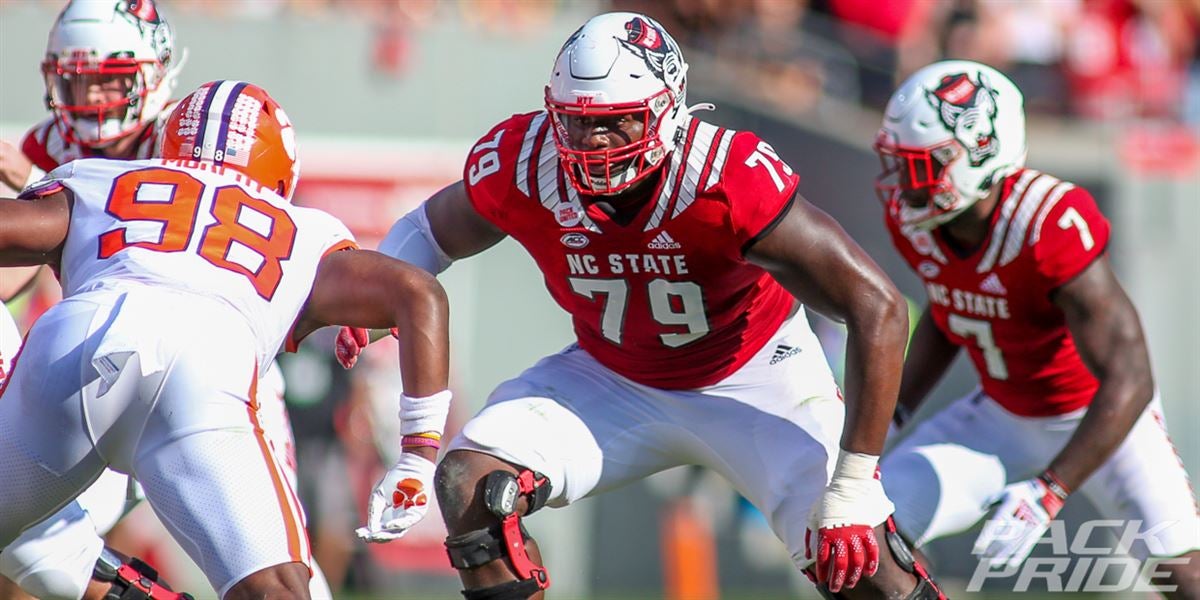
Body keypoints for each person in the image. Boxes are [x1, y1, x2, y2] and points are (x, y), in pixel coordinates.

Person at [342, 12, 944, 600]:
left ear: (667, 108)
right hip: (613, 374)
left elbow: (879, 307)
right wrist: (381, 295)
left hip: (754, 376)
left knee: (861, 561)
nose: (592, 140)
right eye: (575, 122)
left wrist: (854, 483)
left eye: (617, 121)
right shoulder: (526, 160)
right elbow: (429, 229)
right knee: (470, 486)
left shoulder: (722, 176)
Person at [0, 80, 451, 600]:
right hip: (205, 364)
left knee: (34, 544)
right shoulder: (302, 228)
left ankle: (105, 580)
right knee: (276, 589)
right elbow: (419, 293)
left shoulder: (103, 181)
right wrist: (418, 454)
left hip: (76, 342)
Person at [0, 3, 336, 598]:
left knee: (279, 561)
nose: (91, 94)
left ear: (154, 72)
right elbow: (14, 275)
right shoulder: (51, 143)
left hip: (215, 370)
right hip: (93, 358)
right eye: (75, 77)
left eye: (109, 76)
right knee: (36, 548)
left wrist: (31, 183)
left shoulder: (191, 138)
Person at [874, 59, 1200, 595]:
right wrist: (892, 414)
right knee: (873, 527)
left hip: (1102, 420)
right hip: (1001, 415)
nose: (903, 185)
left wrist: (1051, 490)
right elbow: (948, 307)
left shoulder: (1046, 223)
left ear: (977, 153)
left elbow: (1132, 374)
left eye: (920, 166)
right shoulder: (922, 222)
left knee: (1183, 577)